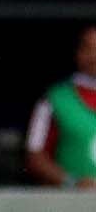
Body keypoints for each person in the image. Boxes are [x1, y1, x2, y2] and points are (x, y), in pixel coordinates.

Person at [25, 24, 96, 189]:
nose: (94, 56)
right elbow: (35, 156)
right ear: (78, 53)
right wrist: (73, 182)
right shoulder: (54, 99)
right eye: (88, 48)